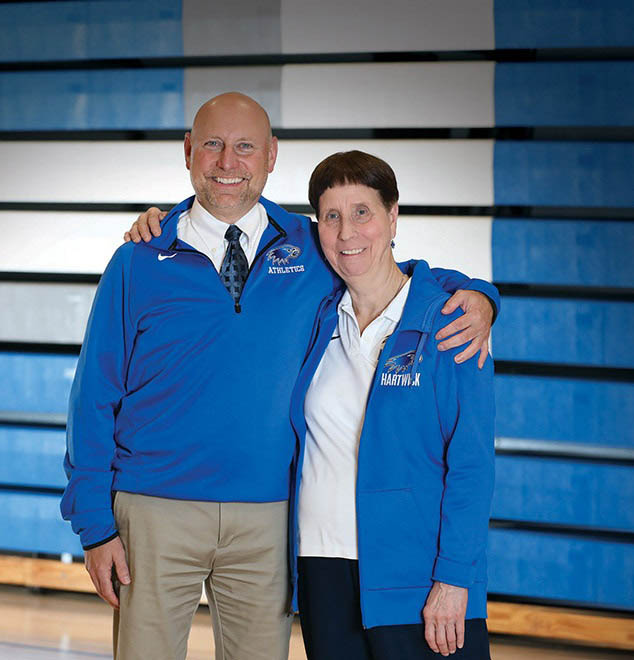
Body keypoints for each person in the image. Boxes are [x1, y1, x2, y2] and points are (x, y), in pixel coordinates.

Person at [62, 92, 498, 660]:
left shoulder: (311, 246)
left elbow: (388, 268)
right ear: (189, 151)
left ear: (271, 156)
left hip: (268, 517)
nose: (227, 162)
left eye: (245, 146)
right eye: (213, 145)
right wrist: (95, 525)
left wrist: (482, 297)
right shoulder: (140, 259)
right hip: (152, 509)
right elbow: (92, 396)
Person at [290, 151, 494, 659]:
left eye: (363, 212)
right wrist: (164, 221)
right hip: (323, 569)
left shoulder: (451, 323)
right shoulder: (314, 320)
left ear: (393, 215)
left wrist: (453, 578)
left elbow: (472, 465)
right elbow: (236, 211)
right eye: (331, 216)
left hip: (418, 577)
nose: (346, 232)